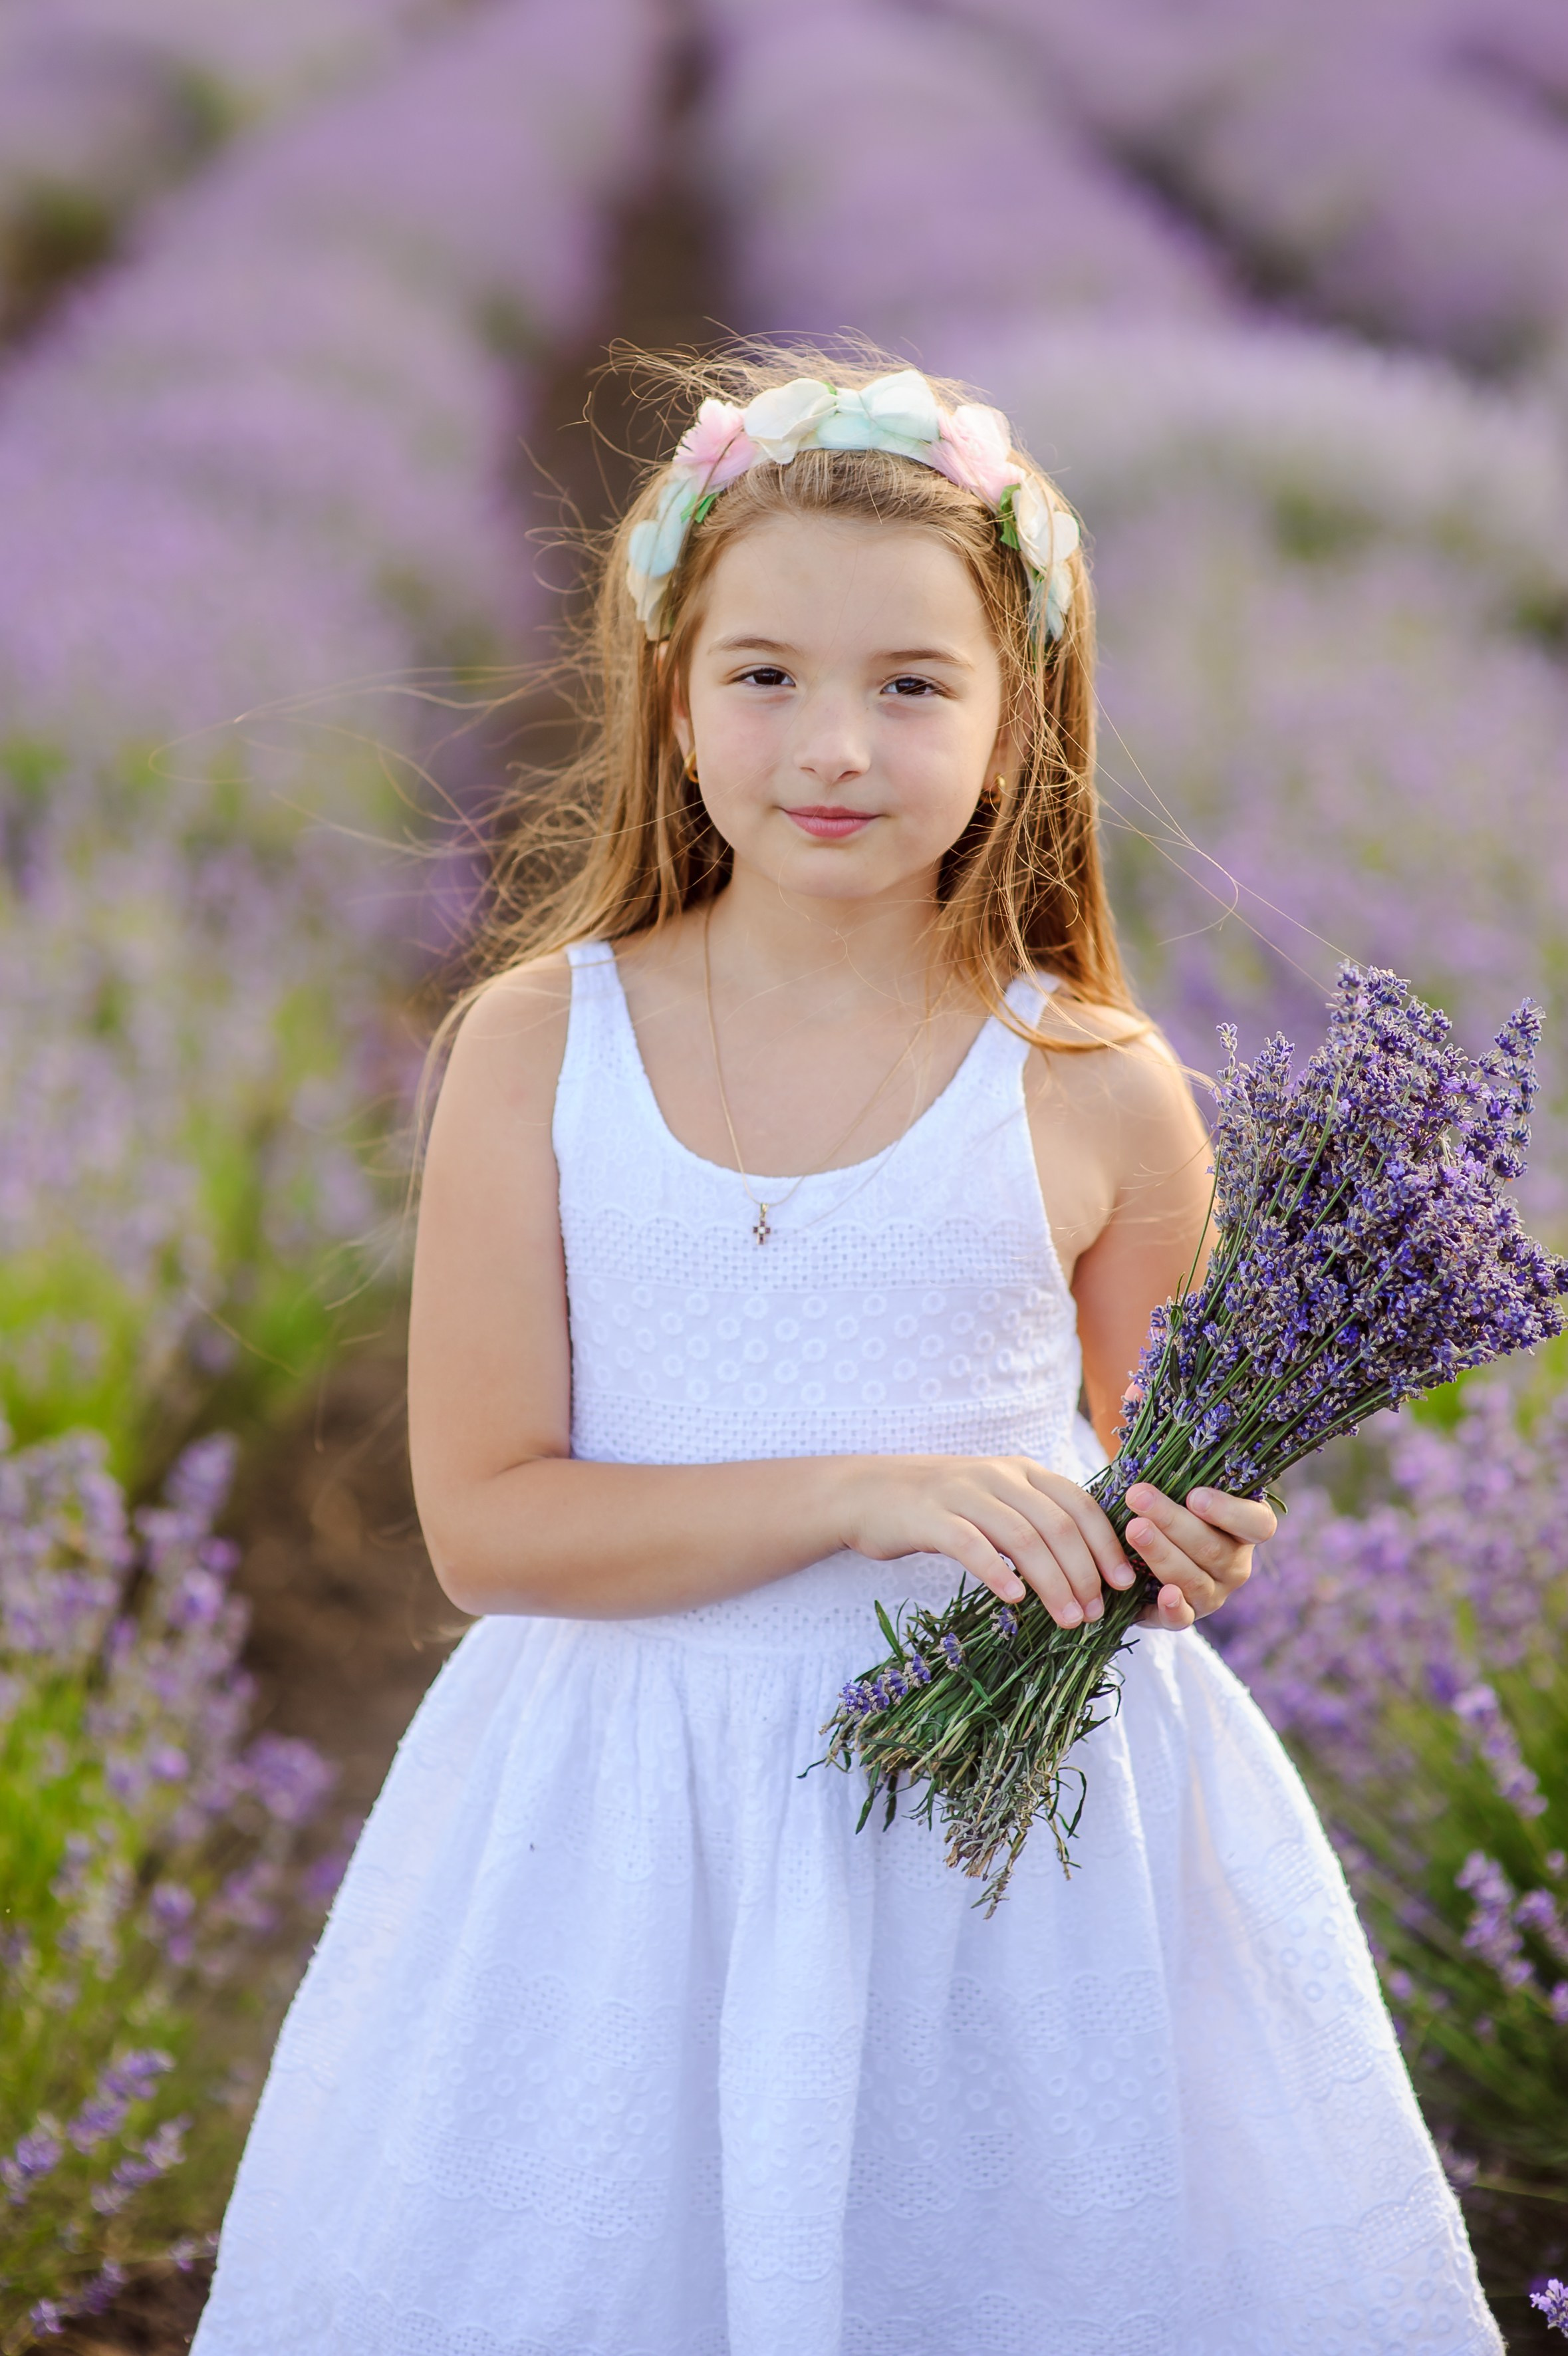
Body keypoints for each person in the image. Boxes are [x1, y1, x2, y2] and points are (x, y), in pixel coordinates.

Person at [192, 352, 1500, 2354]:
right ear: (672, 691)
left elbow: (1160, 1513)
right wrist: (866, 1491)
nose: (834, 743)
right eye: (766, 676)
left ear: (1016, 723)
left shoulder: (1094, 1085)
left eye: (912, 685)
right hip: (623, 1821)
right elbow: (489, 1528)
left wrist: (1178, 1555)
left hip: (993, 1854)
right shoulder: (545, 1046)